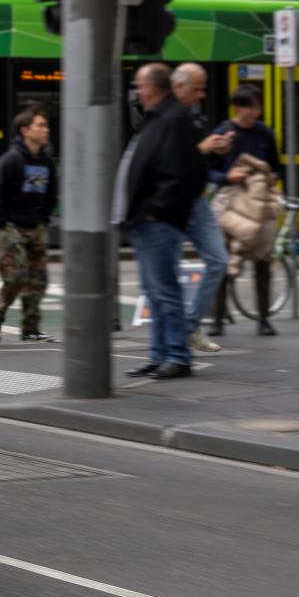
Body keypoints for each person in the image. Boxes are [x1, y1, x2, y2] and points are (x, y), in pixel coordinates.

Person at [113, 63, 207, 379]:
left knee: (165, 290)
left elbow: (183, 173)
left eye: (140, 84)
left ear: (154, 87)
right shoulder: (156, 117)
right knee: (153, 293)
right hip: (145, 219)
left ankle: (178, 356)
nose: (137, 90)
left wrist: (156, 209)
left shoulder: (174, 118)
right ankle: (160, 354)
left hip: (158, 220)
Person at [207, 88, 283, 335]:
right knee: (224, 261)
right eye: (249, 106)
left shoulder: (265, 134)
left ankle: (263, 319)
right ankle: (218, 320)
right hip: (230, 202)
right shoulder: (223, 132)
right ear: (237, 107)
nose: (254, 112)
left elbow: (277, 167)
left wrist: (272, 177)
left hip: (258, 202)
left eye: (257, 107)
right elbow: (208, 170)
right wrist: (227, 176)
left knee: (263, 260)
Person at [0, 105, 57, 343]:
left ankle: (30, 329)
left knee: (39, 279)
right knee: (16, 276)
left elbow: (51, 195)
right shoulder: (11, 159)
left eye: (46, 126)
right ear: (26, 130)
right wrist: (2, 224)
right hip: (11, 226)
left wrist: (43, 219)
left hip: (36, 227)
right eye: (41, 125)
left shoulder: (46, 160)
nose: (46, 130)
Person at [172, 63, 229, 355]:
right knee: (162, 273)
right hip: (172, 201)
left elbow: (195, 162)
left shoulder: (195, 116)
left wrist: (215, 152)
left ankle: (189, 326)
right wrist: (203, 149)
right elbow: (168, 161)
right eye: (197, 88)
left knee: (218, 259)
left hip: (197, 198)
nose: (202, 94)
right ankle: (169, 342)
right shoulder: (166, 116)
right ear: (179, 87)